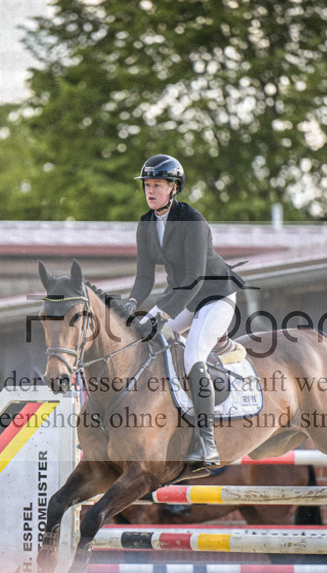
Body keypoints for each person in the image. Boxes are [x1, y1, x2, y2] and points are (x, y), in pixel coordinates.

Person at [122, 154, 246, 469]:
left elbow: (194, 277)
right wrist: (131, 306)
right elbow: (145, 278)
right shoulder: (146, 224)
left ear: (174, 187)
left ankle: (206, 442)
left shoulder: (193, 221)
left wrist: (162, 315)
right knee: (140, 342)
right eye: (147, 185)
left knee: (192, 356)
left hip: (215, 295)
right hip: (184, 298)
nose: (150, 191)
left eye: (157, 185)